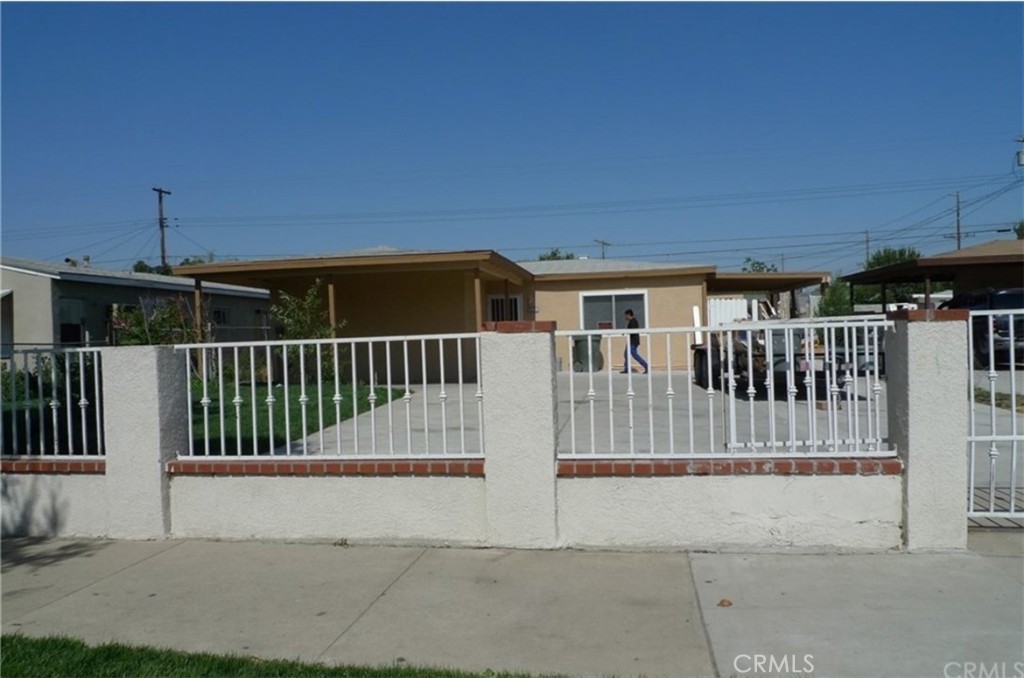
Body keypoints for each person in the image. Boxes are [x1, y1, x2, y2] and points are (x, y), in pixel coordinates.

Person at [621, 309, 649, 374]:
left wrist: (626, 332)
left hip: (633, 341)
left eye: (625, 316)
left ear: (628, 315)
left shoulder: (633, 321)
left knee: (634, 354)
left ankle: (645, 365)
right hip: (630, 340)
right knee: (626, 354)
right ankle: (627, 368)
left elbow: (632, 331)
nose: (625, 317)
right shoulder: (631, 321)